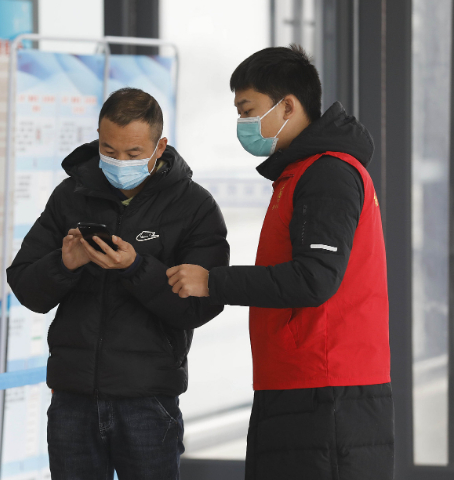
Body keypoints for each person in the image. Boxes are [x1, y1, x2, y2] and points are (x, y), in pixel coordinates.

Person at [167, 45, 393, 479]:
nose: (242, 124)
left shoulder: (328, 173)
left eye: (247, 110)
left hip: (327, 390)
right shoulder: (300, 172)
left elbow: (314, 280)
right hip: (296, 382)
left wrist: (211, 282)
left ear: (287, 105)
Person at [7, 88, 229, 479]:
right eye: (109, 151)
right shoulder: (70, 196)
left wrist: (136, 267)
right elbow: (25, 286)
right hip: (72, 398)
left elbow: (200, 307)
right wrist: (65, 263)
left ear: (160, 146)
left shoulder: (195, 206)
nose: (119, 162)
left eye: (132, 154)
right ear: (97, 137)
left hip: (148, 400)